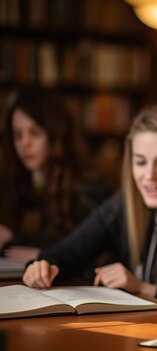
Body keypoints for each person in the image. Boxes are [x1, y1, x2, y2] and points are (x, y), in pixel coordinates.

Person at [22, 104, 157, 301]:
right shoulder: (127, 203)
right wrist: (45, 265)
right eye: (140, 162)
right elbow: (70, 251)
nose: (149, 176)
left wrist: (143, 288)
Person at [0, 88, 93, 263]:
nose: (24, 143)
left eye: (34, 133)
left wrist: (39, 252)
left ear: (55, 135)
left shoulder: (85, 190)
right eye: (17, 135)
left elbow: (90, 254)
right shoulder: (18, 182)